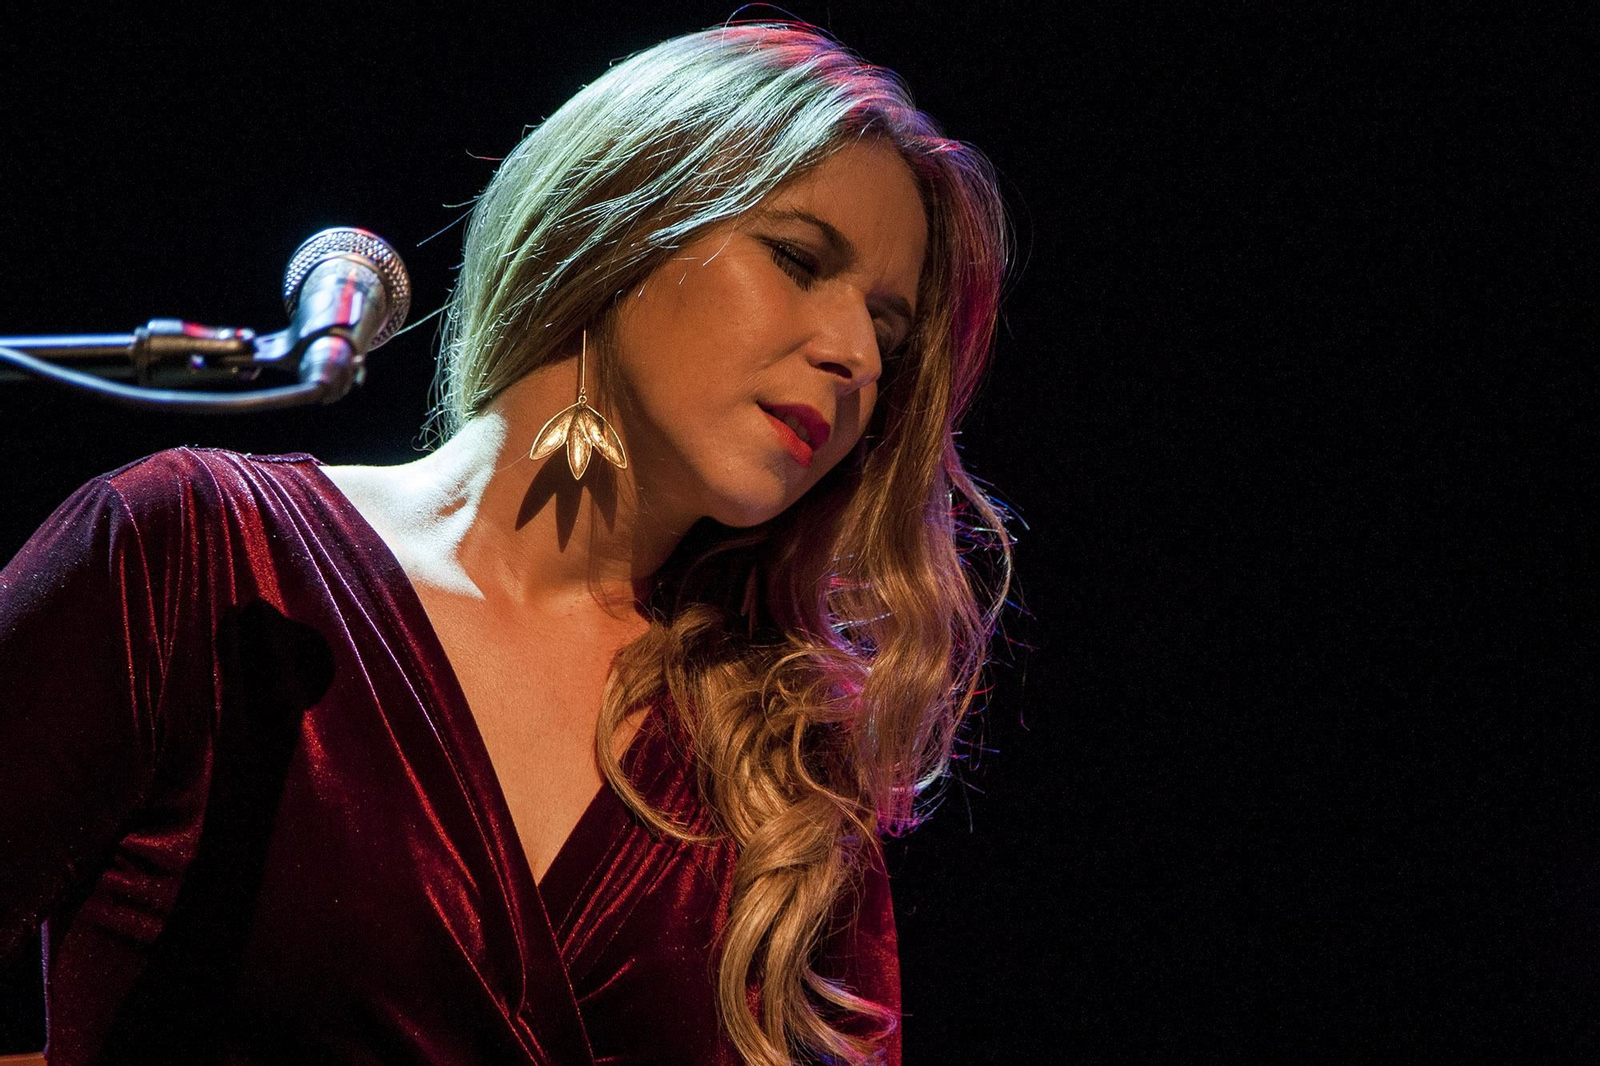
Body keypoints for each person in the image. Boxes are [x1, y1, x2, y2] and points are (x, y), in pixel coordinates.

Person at [0, 20, 1013, 1066]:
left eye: (887, 332)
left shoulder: (783, 774)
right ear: (625, 219)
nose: (854, 357)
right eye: (797, 258)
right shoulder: (201, 560)